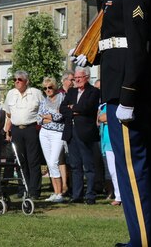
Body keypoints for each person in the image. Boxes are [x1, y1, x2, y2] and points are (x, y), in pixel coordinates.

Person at [77, 0, 151, 247]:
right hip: (114, 90)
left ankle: (143, 241)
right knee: (129, 173)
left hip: (127, 94)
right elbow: (113, 38)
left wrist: (129, 94)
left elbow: (137, 45)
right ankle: (142, 238)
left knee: (133, 170)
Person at [61, 66, 100, 205]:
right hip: (71, 132)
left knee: (88, 165)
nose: (77, 80)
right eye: (75, 78)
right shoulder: (71, 92)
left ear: (87, 77)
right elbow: (62, 108)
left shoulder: (94, 92)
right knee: (75, 165)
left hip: (85, 132)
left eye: (79, 77)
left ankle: (90, 195)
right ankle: (77, 195)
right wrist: (74, 110)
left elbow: (87, 107)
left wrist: (73, 108)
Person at [3, 70, 43, 199]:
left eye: (19, 79)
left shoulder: (36, 93)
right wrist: (7, 131)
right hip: (16, 130)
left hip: (31, 129)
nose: (16, 82)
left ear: (26, 81)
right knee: (20, 161)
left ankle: (34, 191)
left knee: (33, 160)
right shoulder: (11, 94)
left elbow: (43, 110)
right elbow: (8, 114)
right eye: (15, 80)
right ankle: (22, 189)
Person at [38, 76, 66, 202]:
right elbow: (39, 118)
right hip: (44, 133)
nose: (47, 90)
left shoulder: (62, 98)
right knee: (49, 163)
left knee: (54, 161)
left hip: (57, 133)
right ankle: (55, 192)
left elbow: (60, 116)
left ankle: (60, 193)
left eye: (50, 87)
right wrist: (50, 117)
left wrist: (49, 117)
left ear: (55, 87)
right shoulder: (44, 101)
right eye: (45, 88)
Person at [98, 103, 121, 206]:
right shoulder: (102, 106)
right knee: (112, 171)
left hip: (117, 141)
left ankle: (125, 195)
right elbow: (99, 120)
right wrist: (105, 118)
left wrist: (107, 118)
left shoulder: (117, 104)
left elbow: (114, 118)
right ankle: (118, 196)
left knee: (120, 170)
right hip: (106, 142)